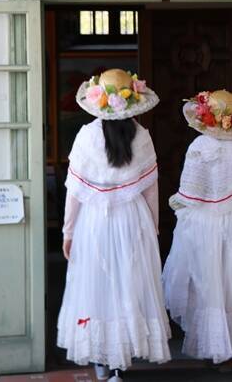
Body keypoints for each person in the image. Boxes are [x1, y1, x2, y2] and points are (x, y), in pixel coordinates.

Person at [57, 69, 171, 382]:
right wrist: (154, 227)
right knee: (129, 286)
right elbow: (151, 188)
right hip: (133, 220)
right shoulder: (143, 136)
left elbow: (75, 192)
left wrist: (68, 231)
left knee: (96, 285)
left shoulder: (86, 135)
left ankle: (101, 362)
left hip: (94, 220)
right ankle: (121, 365)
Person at [162, 89, 232, 367]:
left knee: (211, 282)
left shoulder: (200, 146)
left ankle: (216, 348)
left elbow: (190, 191)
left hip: (206, 221)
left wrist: (180, 206)